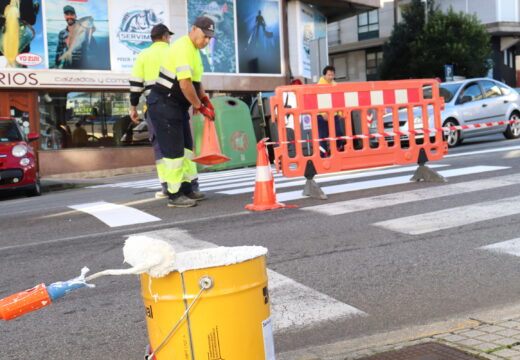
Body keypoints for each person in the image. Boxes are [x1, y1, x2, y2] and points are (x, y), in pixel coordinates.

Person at [148, 16, 216, 208]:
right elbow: (185, 84)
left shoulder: (195, 51)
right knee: (173, 152)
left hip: (176, 106)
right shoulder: (182, 47)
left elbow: (196, 82)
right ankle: (174, 195)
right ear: (194, 29)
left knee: (186, 148)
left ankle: (187, 189)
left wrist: (204, 99)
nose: (207, 41)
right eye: (205, 36)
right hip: (163, 105)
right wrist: (199, 106)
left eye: (210, 38)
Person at [129, 24, 173, 199]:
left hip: (154, 108)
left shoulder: (143, 55)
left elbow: (135, 85)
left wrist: (133, 107)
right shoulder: (174, 52)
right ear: (164, 37)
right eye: (169, 36)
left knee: (160, 147)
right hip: (176, 106)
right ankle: (189, 185)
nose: (169, 39)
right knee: (181, 144)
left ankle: (166, 187)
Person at [316, 65, 346, 156]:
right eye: (329, 75)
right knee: (323, 137)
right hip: (321, 116)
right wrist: (322, 112)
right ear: (324, 75)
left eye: (332, 75)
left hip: (334, 114)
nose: (331, 77)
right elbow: (317, 101)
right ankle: (323, 155)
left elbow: (338, 99)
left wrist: (340, 112)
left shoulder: (335, 84)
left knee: (339, 133)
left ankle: (335, 151)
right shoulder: (319, 85)